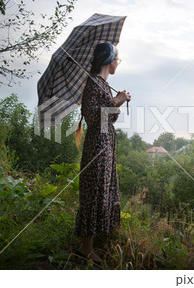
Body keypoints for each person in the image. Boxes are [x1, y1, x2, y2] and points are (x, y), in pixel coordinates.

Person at [74, 42, 131, 263]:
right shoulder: (92, 84)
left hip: (106, 146)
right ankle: (85, 249)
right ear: (109, 60)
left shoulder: (103, 86)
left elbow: (109, 118)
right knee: (93, 193)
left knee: (103, 192)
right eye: (118, 58)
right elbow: (92, 117)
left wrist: (117, 100)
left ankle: (95, 243)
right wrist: (116, 101)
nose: (118, 62)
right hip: (97, 147)